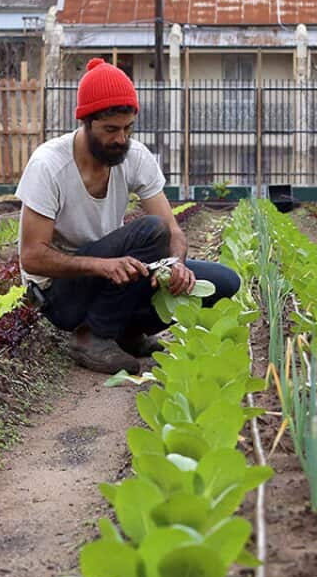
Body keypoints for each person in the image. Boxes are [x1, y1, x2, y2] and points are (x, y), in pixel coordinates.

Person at [16, 58, 241, 374]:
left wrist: (176, 263)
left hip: (112, 279)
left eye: (127, 128)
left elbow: (173, 232)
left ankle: (127, 333)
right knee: (151, 231)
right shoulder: (49, 165)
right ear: (85, 122)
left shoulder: (134, 157)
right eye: (110, 130)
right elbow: (32, 258)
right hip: (63, 295)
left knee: (223, 282)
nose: (121, 139)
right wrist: (103, 266)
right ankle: (90, 337)